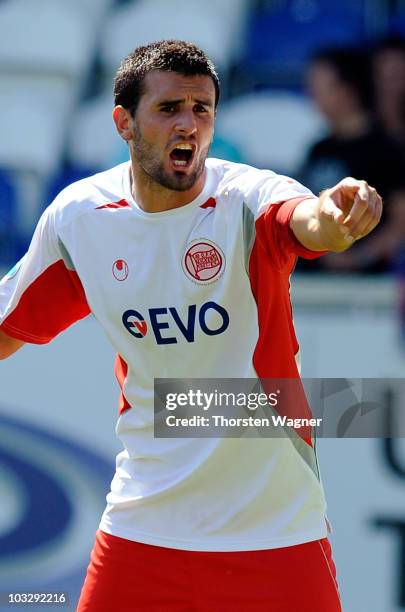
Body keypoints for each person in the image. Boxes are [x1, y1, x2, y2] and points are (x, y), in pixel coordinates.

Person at [0, 40, 382, 611]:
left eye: (201, 109)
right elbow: (9, 327)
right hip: (143, 527)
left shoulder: (247, 198)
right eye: (169, 108)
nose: (189, 125)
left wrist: (337, 214)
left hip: (275, 532)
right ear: (123, 123)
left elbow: (309, 222)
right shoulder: (80, 220)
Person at [300, 46, 403, 273]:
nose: (311, 94)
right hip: (315, 277)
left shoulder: (386, 151)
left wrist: (359, 258)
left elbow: (400, 223)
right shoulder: (318, 150)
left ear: (348, 89)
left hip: (368, 286)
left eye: (319, 85)